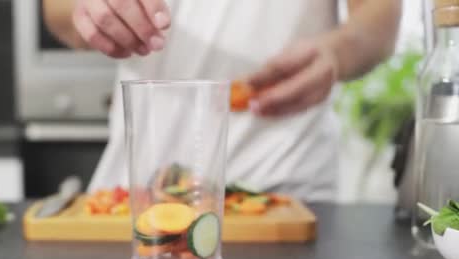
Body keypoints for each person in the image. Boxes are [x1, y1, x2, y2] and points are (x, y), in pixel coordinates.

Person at [44, 0, 401, 201]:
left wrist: (335, 54)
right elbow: (57, 10)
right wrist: (92, 9)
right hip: (135, 196)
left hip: (285, 186)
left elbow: (381, 16)